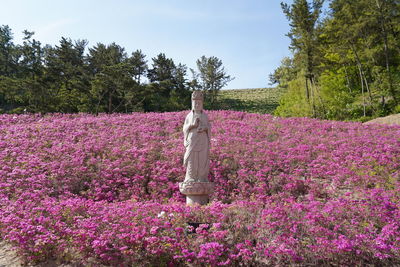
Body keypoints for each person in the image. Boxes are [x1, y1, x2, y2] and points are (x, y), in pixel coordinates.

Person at [183, 91, 211, 183]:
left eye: (199, 103)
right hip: (192, 140)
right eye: (195, 103)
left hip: (203, 141)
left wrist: (204, 128)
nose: (197, 104)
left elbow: (209, 127)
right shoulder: (189, 116)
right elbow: (185, 128)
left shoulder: (205, 116)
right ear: (192, 103)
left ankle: (201, 177)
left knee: (202, 160)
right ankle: (191, 177)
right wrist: (192, 125)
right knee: (192, 159)